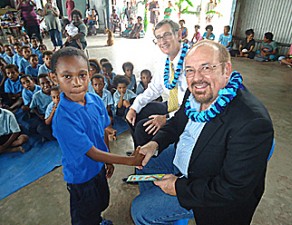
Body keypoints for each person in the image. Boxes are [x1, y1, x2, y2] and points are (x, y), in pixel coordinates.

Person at [131, 40, 274, 225]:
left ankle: (157, 210)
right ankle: (161, 209)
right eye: (190, 70)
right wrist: (154, 144)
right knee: (148, 162)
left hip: (210, 189)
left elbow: (232, 189)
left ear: (226, 70)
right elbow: (177, 122)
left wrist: (178, 188)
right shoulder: (196, 93)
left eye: (206, 68)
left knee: (140, 210)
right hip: (187, 157)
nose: (197, 78)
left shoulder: (252, 123)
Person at [50, 47, 144, 225]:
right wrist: (130, 161)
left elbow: (102, 132)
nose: (77, 82)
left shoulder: (95, 101)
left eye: (82, 75)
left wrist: (107, 159)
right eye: (67, 76)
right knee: (84, 215)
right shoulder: (63, 119)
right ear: (55, 78)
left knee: (101, 202)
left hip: (98, 168)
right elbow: (91, 152)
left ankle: (98, 220)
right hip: (81, 177)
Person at [126, 19, 188, 148]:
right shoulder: (164, 62)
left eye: (167, 35)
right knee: (133, 112)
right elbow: (153, 89)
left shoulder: (191, 62)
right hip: (172, 105)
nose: (162, 42)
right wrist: (134, 107)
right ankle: (139, 151)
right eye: (158, 38)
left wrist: (166, 118)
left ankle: (147, 156)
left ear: (179, 34)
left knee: (143, 129)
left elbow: (195, 104)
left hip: (187, 112)